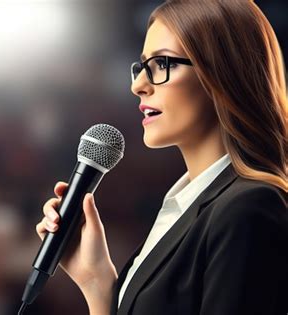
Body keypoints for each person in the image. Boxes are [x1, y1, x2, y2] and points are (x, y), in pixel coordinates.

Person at [35, 1, 287, 314]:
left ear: (223, 73)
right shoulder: (185, 207)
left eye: (162, 63)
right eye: (141, 67)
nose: (138, 85)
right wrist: (95, 282)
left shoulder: (248, 208)